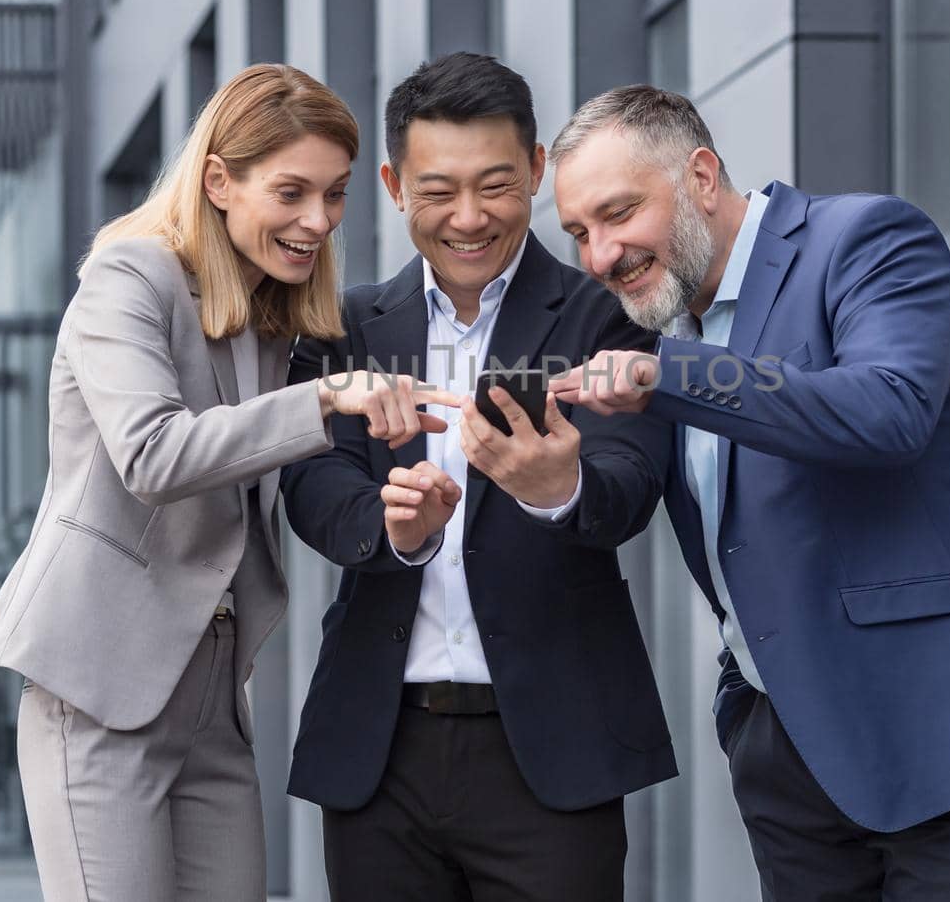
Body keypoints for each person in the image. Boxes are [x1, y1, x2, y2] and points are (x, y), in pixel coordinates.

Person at [547, 85, 950, 901]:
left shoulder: (866, 239)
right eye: (579, 232)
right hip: (787, 749)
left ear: (702, 177)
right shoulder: (667, 323)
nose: (601, 254)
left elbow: (889, 410)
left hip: (941, 724)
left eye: (618, 213)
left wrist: (669, 374)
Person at [0, 64, 457, 902]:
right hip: (98, 685)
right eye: (293, 191)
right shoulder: (127, 278)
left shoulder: (273, 309)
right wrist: (327, 397)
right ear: (219, 179)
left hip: (215, 691)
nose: (318, 221)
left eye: (336, 194)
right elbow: (154, 454)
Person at [280, 53, 675, 902]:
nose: (467, 217)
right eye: (437, 189)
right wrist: (393, 528)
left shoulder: (603, 310)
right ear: (392, 183)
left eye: (495, 184)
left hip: (552, 750)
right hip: (380, 749)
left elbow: (630, 479)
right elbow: (312, 486)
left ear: (537, 171)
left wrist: (557, 485)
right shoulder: (342, 326)